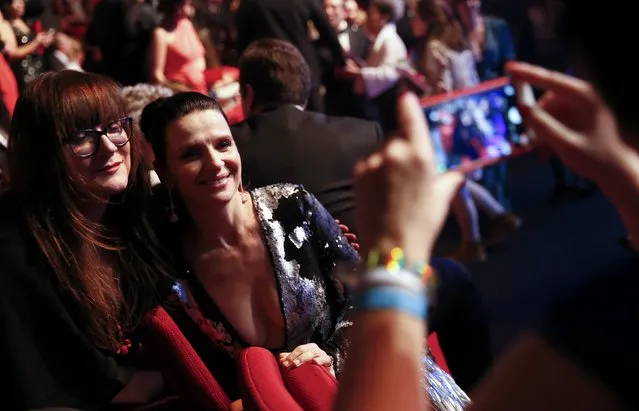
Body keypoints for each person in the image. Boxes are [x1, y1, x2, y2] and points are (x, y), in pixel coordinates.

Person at [140, 91, 471, 408]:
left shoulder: (291, 205)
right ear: (166, 173)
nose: (215, 163)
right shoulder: (174, 269)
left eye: (223, 144)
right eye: (191, 154)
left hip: (371, 371)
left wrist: (331, 354)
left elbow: (363, 292)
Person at [233, 38, 493, 391]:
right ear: (305, 91)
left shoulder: (229, 151)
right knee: (453, 276)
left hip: (279, 322)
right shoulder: (359, 133)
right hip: (364, 291)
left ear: (247, 95)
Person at [0, 70, 173, 409]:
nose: (109, 146)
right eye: (81, 136)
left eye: (114, 127)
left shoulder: (135, 217)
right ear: (43, 154)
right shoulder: (13, 249)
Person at [234, 0, 346, 112]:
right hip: (305, 67)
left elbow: (243, 43)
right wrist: (340, 60)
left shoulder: (250, 2)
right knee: (315, 121)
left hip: (269, 71)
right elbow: (326, 30)